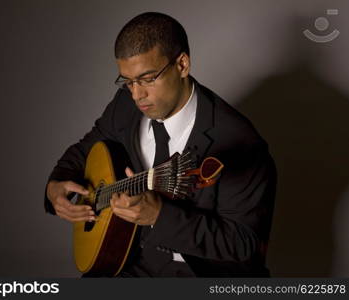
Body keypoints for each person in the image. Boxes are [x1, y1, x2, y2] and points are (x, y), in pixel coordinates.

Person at [44, 12, 276, 277]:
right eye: (128, 81)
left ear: (182, 65)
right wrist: (57, 183)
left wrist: (159, 217)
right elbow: (86, 148)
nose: (136, 94)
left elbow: (242, 243)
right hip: (126, 259)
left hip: (199, 271)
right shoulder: (124, 106)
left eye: (147, 78)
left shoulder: (240, 143)